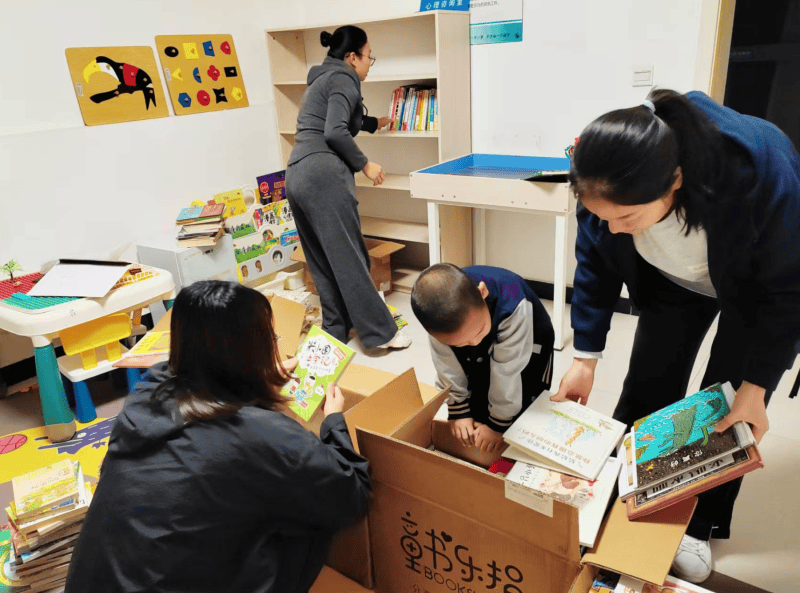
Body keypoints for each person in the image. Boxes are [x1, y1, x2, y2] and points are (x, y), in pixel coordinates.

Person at [552, 89, 800, 583]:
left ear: (676, 181)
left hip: (750, 282)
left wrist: (756, 387)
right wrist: (585, 357)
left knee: (727, 406)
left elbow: (788, 290)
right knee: (649, 380)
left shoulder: (759, 173)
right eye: (603, 217)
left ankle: (699, 522)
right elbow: (594, 263)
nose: (613, 229)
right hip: (669, 279)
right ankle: (623, 496)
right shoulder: (602, 177)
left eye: (626, 218)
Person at [64, 281, 371, 593]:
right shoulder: (264, 433)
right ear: (257, 349)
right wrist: (333, 420)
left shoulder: (146, 391)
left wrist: (257, 379)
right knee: (308, 515)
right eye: (271, 338)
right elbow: (352, 495)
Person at [285, 25, 409, 351]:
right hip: (323, 175)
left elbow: (333, 117)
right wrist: (365, 164)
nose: (370, 64)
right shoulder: (344, 78)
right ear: (352, 57)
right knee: (350, 257)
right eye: (369, 57)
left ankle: (335, 329)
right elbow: (335, 131)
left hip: (297, 174)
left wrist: (373, 123)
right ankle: (381, 333)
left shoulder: (322, 78)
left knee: (321, 261)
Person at [411, 264, 554, 453]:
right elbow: (447, 366)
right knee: (477, 391)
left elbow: (507, 372)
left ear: (482, 293)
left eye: (478, 332)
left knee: (524, 403)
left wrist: (497, 425)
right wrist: (458, 410)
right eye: (460, 344)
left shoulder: (512, 305)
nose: (474, 342)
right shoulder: (438, 322)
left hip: (525, 342)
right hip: (484, 337)